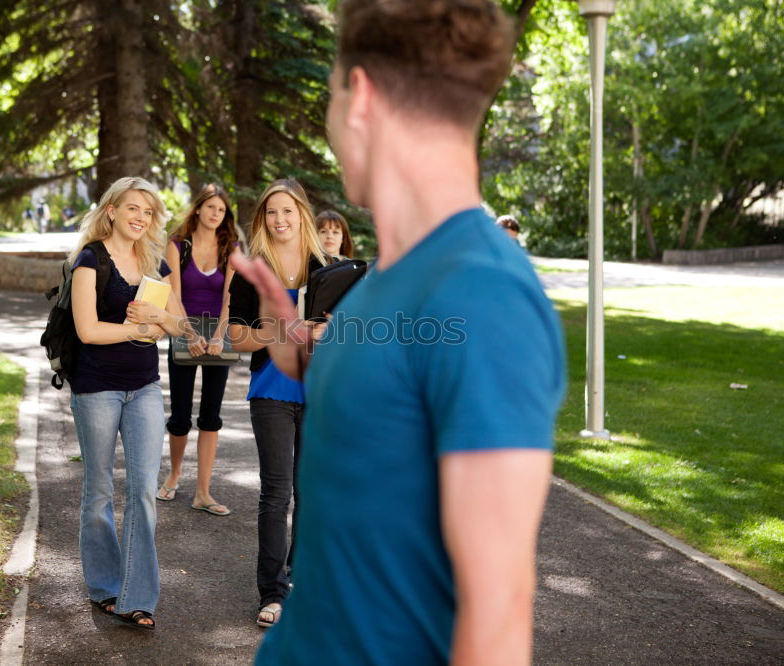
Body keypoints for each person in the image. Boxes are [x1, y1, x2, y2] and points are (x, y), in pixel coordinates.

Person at [232, 2, 566, 663]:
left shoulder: (484, 293)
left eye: (328, 95)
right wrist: (294, 345)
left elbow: (497, 612)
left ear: (358, 99)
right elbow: (383, 401)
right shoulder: (388, 273)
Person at [68, 176, 198, 631]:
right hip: (96, 388)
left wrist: (159, 318)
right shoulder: (90, 260)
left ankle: (137, 597)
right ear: (111, 211)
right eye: (132, 209)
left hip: (144, 387)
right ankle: (105, 586)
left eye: (148, 211)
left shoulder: (154, 261)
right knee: (99, 490)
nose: (140, 218)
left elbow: (180, 325)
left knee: (143, 490)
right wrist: (139, 330)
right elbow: (87, 331)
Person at [227, 178, 328, 629]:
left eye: (288, 211)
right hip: (271, 391)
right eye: (272, 212)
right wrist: (278, 332)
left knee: (311, 493)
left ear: (302, 214)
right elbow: (235, 334)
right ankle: (272, 591)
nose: (280, 219)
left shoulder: (327, 268)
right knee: (277, 492)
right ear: (262, 219)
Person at [157, 184, 240, 517]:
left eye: (221, 210)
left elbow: (229, 298)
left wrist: (220, 335)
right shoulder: (178, 245)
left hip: (218, 333)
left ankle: (203, 492)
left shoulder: (230, 248)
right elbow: (172, 295)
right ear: (198, 209)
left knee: (211, 415)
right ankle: (175, 474)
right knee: (179, 415)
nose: (215, 214)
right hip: (183, 329)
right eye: (210, 208)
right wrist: (189, 333)